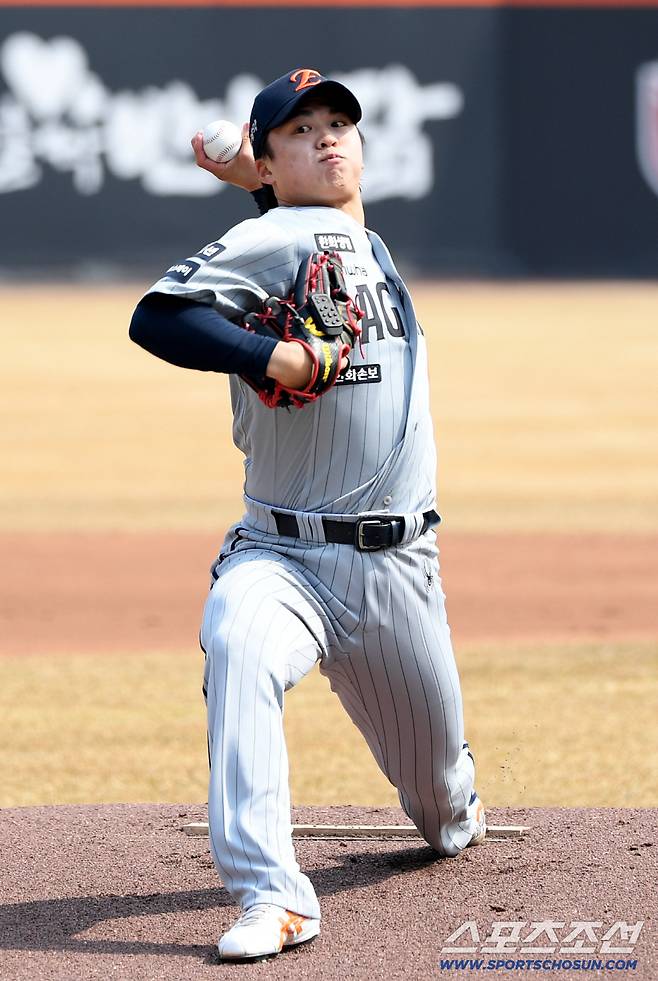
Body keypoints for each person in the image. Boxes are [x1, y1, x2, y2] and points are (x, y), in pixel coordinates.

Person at [129, 68, 485, 963]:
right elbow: (158, 317)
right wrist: (272, 355)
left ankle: (457, 801)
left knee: (442, 813)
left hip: (398, 571)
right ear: (274, 162)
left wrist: (252, 177)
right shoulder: (288, 233)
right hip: (279, 555)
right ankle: (272, 895)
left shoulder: (349, 235)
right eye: (300, 131)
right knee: (237, 638)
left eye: (338, 124)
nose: (328, 138)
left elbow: (325, 232)